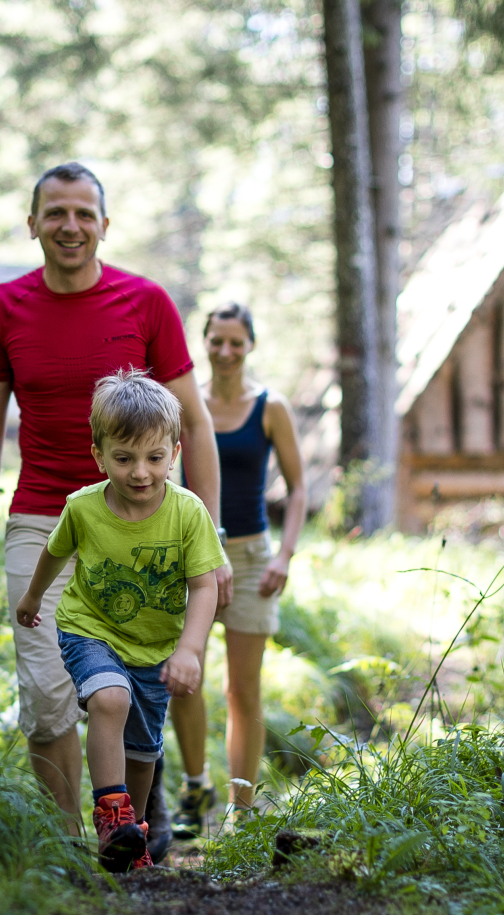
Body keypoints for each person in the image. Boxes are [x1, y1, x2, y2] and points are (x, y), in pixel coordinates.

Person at [0, 162, 230, 848]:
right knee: (48, 692)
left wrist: (211, 536)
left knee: (136, 680)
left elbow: (193, 424)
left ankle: (131, 828)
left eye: (84, 214)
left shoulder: (147, 303)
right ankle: (69, 844)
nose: (70, 226)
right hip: (44, 516)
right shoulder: (1, 309)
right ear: (33, 225)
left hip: (147, 524)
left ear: (104, 225)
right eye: (56, 213)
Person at [15, 371, 224, 871]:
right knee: (110, 697)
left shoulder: (188, 513)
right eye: (124, 459)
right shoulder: (84, 508)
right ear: (99, 455)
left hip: (155, 644)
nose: (140, 473)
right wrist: (32, 597)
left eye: (154, 458)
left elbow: (204, 585)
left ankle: (129, 840)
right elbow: (52, 551)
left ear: (174, 453)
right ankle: (111, 815)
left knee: (144, 751)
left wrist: (190, 649)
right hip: (90, 628)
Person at [169, 303, 308, 835]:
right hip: (192, 556)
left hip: (252, 559)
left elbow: (298, 491)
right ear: (202, 342)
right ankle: (195, 788)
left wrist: (284, 555)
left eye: (236, 342)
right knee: (184, 680)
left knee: (241, 691)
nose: (225, 352)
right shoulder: (183, 404)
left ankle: (241, 810)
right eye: (216, 341)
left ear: (251, 346)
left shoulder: (271, 408)